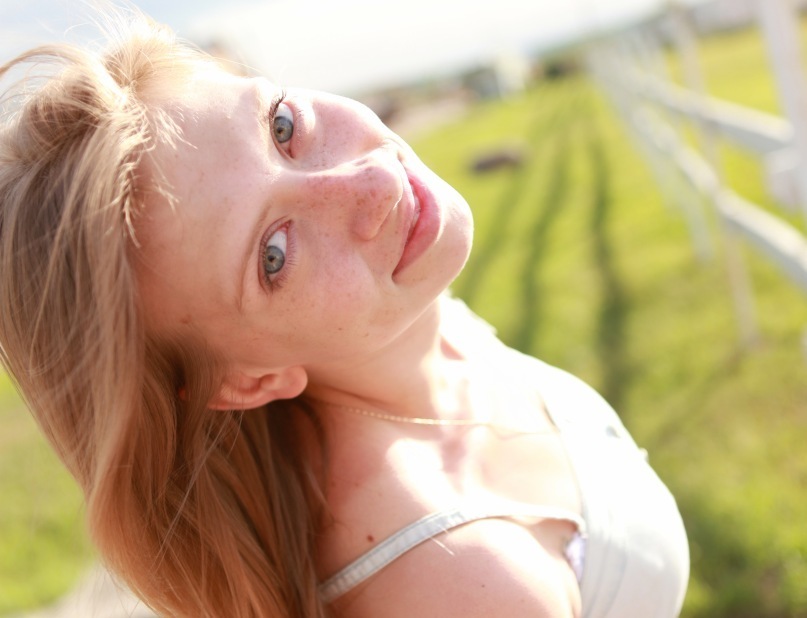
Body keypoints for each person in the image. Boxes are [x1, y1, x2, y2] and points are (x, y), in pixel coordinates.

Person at [0, 8, 689, 618]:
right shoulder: (465, 580)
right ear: (246, 381)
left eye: (282, 126)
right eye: (273, 256)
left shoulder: (417, 325)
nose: (374, 181)